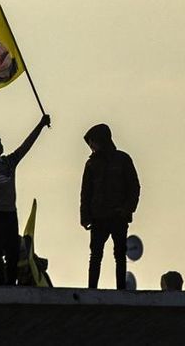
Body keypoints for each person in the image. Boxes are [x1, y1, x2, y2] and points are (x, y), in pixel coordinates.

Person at [0, 114, 50, 286]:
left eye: (0, 142)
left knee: (13, 251)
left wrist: (40, 125)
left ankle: (10, 283)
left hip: (11, 213)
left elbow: (26, 146)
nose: (0, 145)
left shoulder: (9, 162)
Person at [80, 123, 140, 290]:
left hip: (118, 216)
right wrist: (85, 216)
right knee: (95, 256)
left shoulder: (123, 160)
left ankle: (121, 290)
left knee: (120, 255)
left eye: (93, 141)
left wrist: (127, 209)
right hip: (98, 218)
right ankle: (92, 289)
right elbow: (86, 192)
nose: (91, 146)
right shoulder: (91, 164)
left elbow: (134, 187)